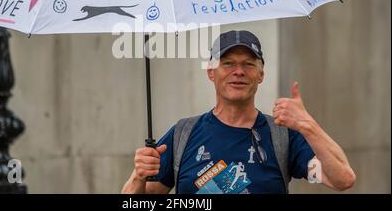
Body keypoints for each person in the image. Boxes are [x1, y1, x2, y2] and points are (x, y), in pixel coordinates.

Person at [122, 30, 356, 194]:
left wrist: (308, 125)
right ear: (211, 72)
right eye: (228, 63)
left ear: (260, 75)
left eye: (248, 64)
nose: (238, 71)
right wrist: (138, 176)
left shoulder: (282, 136)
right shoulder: (183, 134)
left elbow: (342, 179)